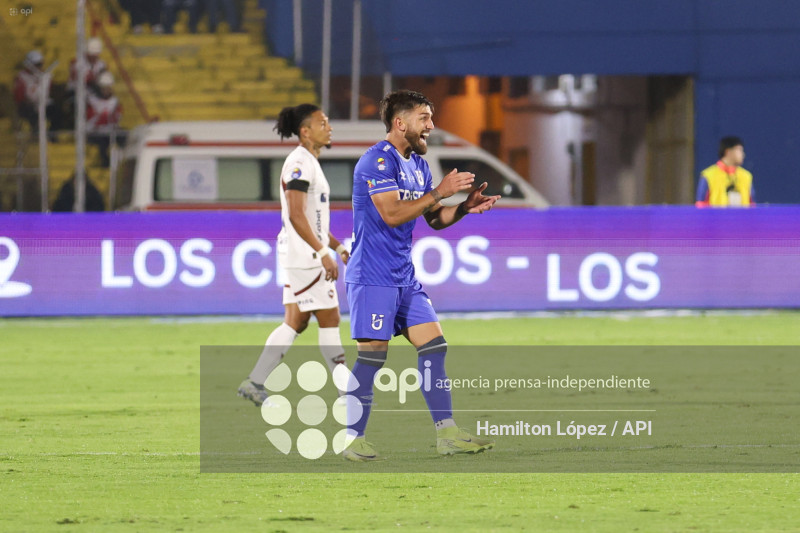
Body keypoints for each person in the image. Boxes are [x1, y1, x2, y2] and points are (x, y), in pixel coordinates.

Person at [342, 90, 500, 461]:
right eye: (424, 118)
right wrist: (440, 191)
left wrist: (461, 208)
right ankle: (352, 439)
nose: (431, 125)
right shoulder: (376, 162)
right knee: (372, 358)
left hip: (404, 278)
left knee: (434, 346)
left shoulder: (418, 165)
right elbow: (394, 214)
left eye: (431, 117)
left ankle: (447, 434)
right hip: (372, 278)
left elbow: (433, 219)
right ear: (400, 123)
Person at [238, 104, 350, 407]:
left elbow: (312, 220)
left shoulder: (308, 163)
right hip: (306, 257)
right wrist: (321, 251)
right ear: (305, 131)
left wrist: (337, 247)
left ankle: (255, 381)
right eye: (323, 123)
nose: (330, 127)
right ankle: (347, 392)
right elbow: (297, 216)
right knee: (330, 317)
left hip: (300, 253)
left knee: (296, 321)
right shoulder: (299, 163)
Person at [696, 136, 754, 207]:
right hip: (716, 218)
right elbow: (701, 205)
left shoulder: (746, 176)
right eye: (739, 150)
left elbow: (752, 205)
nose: (743, 154)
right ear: (728, 151)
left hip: (741, 218)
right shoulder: (708, 175)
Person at [13, 50, 59, 134]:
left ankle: (52, 135)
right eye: (37, 65)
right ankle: (35, 135)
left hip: (44, 103)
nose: (39, 67)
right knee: (32, 114)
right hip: (28, 105)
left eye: (40, 64)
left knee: (56, 112)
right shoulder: (21, 77)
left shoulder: (46, 76)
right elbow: (19, 97)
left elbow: (51, 91)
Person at [86, 72, 124, 168]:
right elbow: (90, 120)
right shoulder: (92, 101)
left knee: (124, 136)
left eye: (108, 88)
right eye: (104, 88)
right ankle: (105, 163)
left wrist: (112, 118)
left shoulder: (115, 101)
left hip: (109, 131)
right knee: (103, 143)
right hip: (94, 132)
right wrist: (102, 118)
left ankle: (122, 161)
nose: (107, 90)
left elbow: (117, 118)